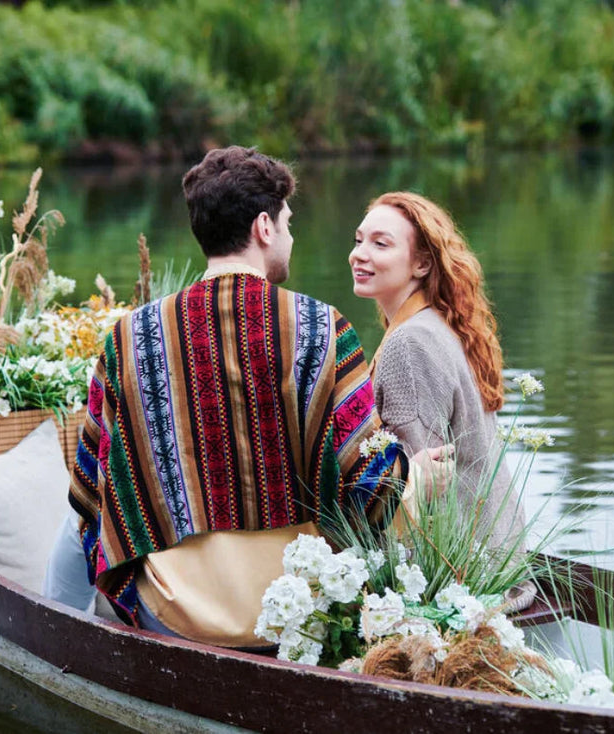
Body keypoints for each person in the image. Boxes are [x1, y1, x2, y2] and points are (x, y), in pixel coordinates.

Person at [49, 147, 422, 648]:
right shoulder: (321, 328)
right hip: (300, 614)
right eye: (287, 224)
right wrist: (419, 474)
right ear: (264, 228)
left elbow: (92, 485)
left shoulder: (129, 336)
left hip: (174, 614)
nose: (290, 236)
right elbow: (369, 485)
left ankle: (57, 639)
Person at [349, 191, 533, 611]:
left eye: (381, 244)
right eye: (359, 240)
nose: (359, 254)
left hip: (469, 585)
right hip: (502, 566)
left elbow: (420, 491)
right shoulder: (438, 325)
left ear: (422, 263)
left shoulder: (410, 345)